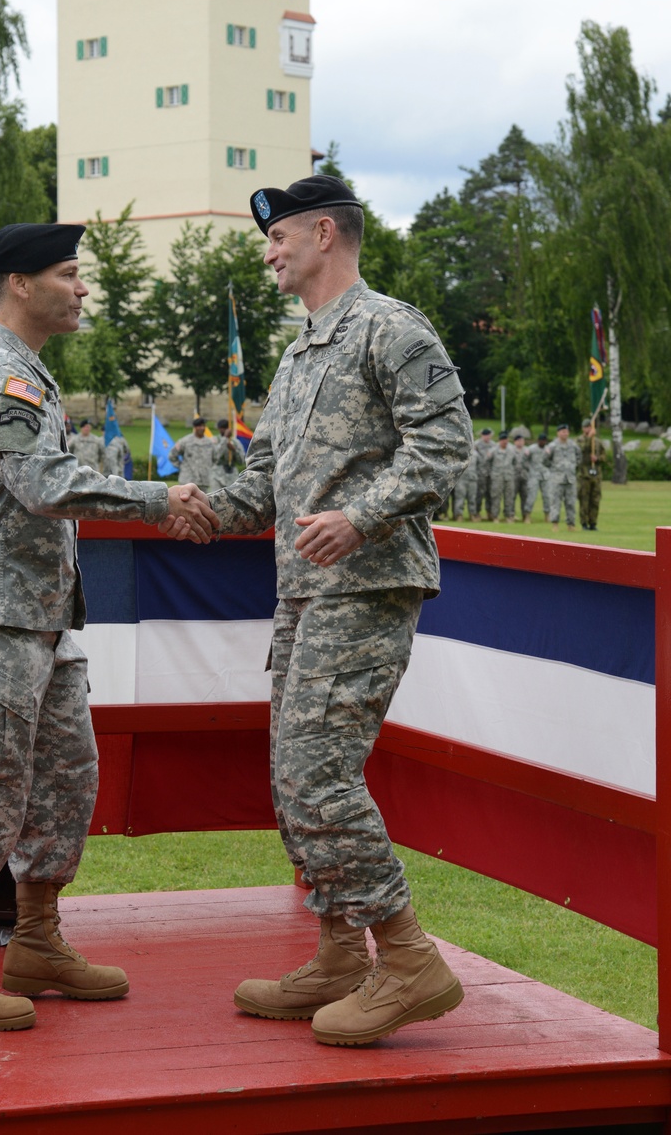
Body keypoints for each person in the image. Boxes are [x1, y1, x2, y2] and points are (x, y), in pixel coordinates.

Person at [0, 221, 218, 1033]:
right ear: (20, 283)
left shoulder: (29, 375)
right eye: (69, 274)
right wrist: (157, 499)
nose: (82, 289)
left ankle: (37, 940)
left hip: (40, 621)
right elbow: (42, 485)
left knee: (65, 780)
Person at [207, 175, 471, 1049]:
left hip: (369, 583)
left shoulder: (392, 329)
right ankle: (337, 954)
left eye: (280, 236)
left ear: (326, 233)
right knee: (294, 775)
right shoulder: (297, 355)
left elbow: (447, 444)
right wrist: (185, 505)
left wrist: (361, 515)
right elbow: (263, 488)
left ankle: (405, 957)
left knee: (319, 768)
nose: (270, 251)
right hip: (304, 592)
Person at [544, 422, 579, 528]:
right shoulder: (552, 446)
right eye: (563, 432)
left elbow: (579, 457)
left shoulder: (573, 445)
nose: (565, 433)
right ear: (558, 433)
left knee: (571, 502)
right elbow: (545, 460)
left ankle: (571, 524)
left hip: (570, 478)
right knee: (555, 502)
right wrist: (554, 469)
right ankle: (555, 523)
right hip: (556, 478)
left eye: (567, 431)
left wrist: (573, 466)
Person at [170, 416, 215, 489]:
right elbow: (172, 455)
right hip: (188, 480)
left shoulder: (210, 442)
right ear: (195, 427)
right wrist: (181, 467)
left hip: (204, 481)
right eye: (199, 426)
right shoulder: (185, 441)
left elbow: (215, 458)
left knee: (203, 500)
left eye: (203, 426)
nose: (202, 428)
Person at [577, 417, 606, 529]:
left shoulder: (597, 442)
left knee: (595, 499)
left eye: (590, 427)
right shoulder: (580, 440)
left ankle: (593, 522)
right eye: (586, 427)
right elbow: (581, 450)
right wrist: (589, 438)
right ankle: (584, 522)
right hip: (584, 475)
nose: (588, 429)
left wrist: (597, 458)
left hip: (596, 474)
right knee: (584, 499)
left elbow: (604, 456)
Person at [487, 431, 517, 522]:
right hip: (497, 477)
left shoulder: (512, 450)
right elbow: (488, 462)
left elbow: (515, 462)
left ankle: (509, 516)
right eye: (503, 440)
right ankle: (495, 516)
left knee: (509, 497)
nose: (504, 441)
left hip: (509, 477)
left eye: (506, 440)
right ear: (499, 441)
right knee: (496, 496)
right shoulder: (493, 450)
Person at [450, 435, 480, 521]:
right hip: (461, 479)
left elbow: (480, 466)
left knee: (472, 498)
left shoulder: (476, 453)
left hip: (473, 478)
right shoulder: (459, 452)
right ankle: (459, 515)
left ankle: (472, 514)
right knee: (460, 498)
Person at [523, 432, 550, 522]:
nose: (542, 442)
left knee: (547, 495)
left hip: (545, 475)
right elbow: (524, 460)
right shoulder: (531, 449)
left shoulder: (548, 450)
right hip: (533, 475)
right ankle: (527, 515)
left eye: (544, 441)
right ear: (538, 441)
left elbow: (551, 462)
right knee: (532, 496)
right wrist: (529, 469)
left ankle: (547, 515)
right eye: (541, 440)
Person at [211, 418, 242, 490]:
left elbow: (241, 461)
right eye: (222, 428)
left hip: (232, 475)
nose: (224, 430)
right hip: (217, 474)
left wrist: (234, 450)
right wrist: (224, 439)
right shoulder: (214, 440)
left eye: (225, 428)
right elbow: (216, 456)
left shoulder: (235, 442)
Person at [474, 428, 495, 520]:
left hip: (491, 473)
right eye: (485, 435)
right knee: (479, 493)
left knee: (490, 493)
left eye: (488, 435)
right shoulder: (477, 444)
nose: (487, 437)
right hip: (480, 473)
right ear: (482, 435)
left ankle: (489, 512)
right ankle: (477, 512)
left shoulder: (494, 445)